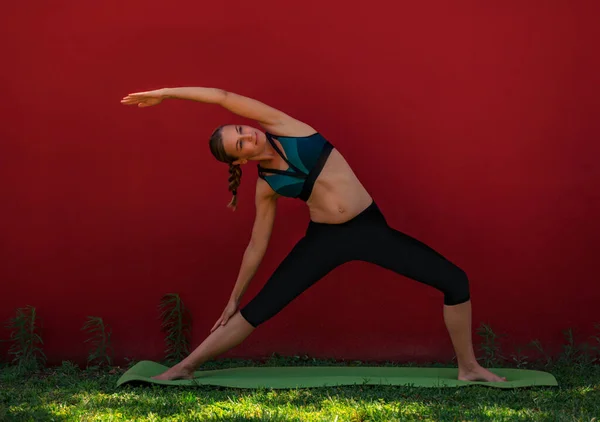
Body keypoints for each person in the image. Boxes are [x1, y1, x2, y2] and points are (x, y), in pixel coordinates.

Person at [120, 87, 506, 382]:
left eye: (242, 130)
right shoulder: (267, 185)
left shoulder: (285, 127)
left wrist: (166, 93)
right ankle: (185, 367)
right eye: (240, 143)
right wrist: (234, 297)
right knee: (256, 310)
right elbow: (258, 243)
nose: (248, 136)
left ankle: (468, 367)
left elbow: (222, 97)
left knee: (455, 281)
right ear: (239, 159)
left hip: (369, 229)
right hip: (324, 240)